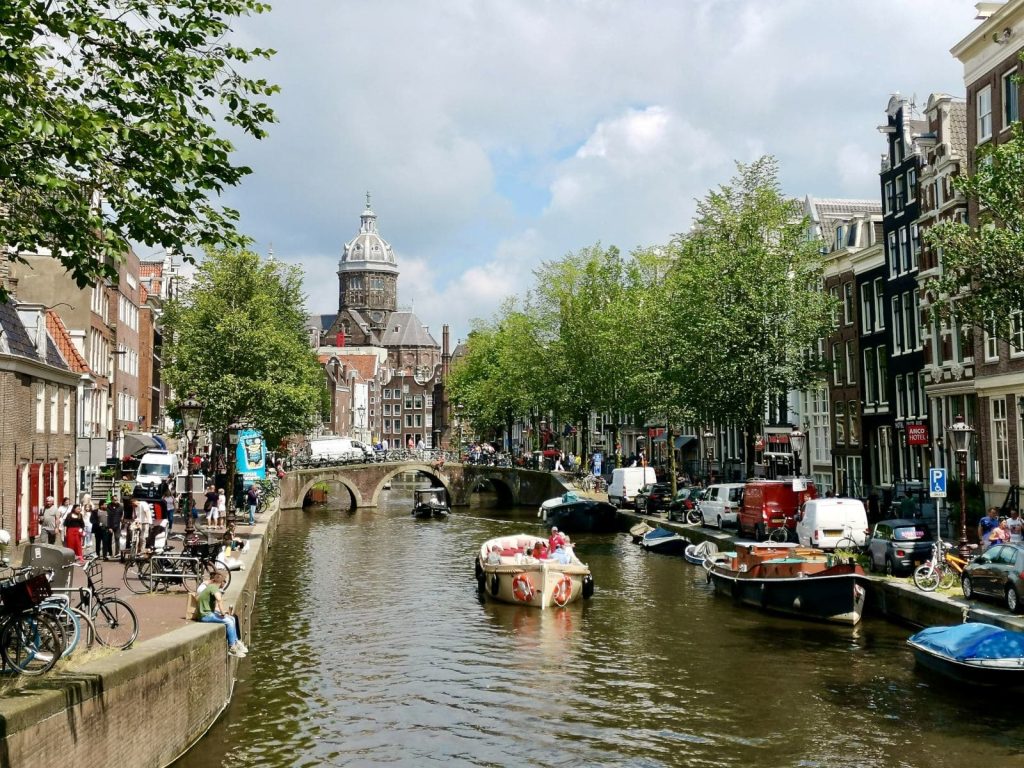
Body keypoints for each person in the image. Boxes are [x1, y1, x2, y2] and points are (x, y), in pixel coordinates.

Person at [196, 571, 247, 657]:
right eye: (224, 581)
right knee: (229, 622)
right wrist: (222, 612)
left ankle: (236, 642)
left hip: (206, 613)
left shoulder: (210, 587)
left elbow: (209, 604)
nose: (225, 583)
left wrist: (222, 612)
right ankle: (232, 648)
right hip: (205, 616)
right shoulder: (214, 588)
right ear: (221, 582)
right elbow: (219, 599)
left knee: (232, 618)